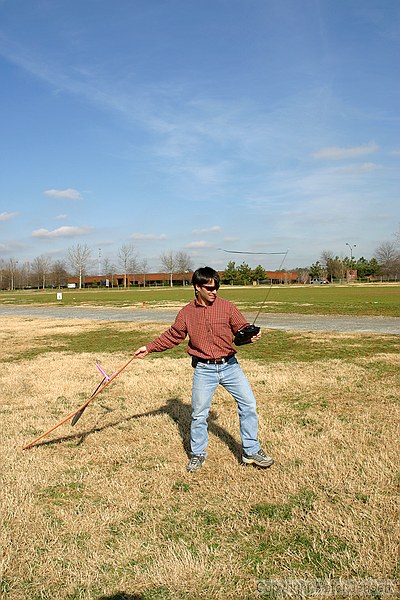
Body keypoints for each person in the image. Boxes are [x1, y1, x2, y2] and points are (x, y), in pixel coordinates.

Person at [134, 266, 274, 473]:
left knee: (249, 405)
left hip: (230, 366)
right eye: (209, 288)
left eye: (216, 287)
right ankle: (198, 454)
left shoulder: (227, 307)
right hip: (204, 369)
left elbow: (241, 328)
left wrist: (249, 335)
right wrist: (149, 347)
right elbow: (173, 335)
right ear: (197, 287)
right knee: (199, 415)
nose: (214, 291)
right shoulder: (186, 313)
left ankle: (250, 451)